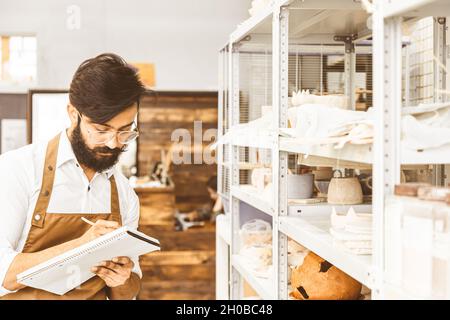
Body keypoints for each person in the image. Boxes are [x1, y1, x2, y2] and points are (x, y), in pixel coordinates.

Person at [0, 53, 146, 300]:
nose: (113, 143)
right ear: (72, 113)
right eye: (101, 130)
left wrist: (122, 278)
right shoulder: (18, 169)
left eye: (124, 132)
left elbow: (128, 293)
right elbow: (5, 274)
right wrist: (83, 246)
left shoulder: (123, 193)